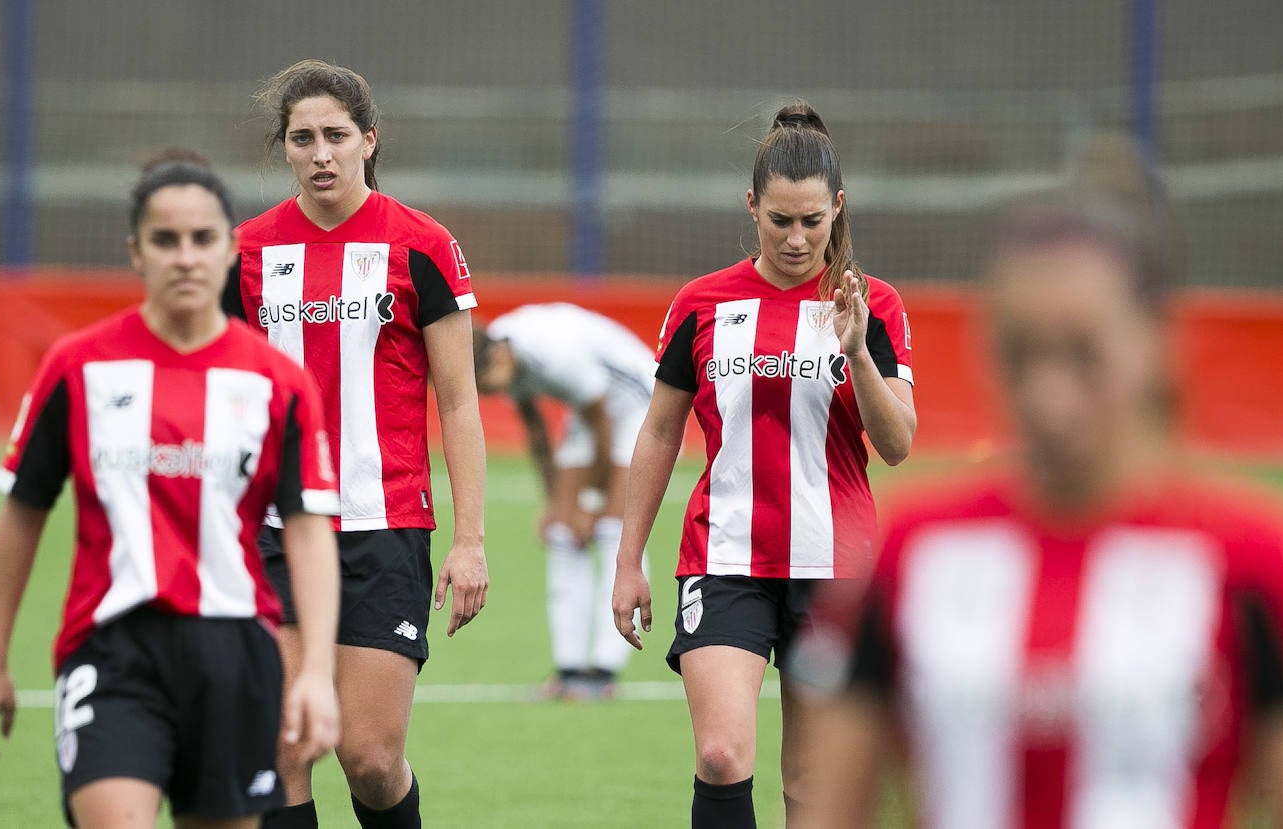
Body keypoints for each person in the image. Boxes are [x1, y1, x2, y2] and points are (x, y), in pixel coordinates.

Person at [795, 167, 1283, 827]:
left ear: (1157, 342)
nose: (1048, 394)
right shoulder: (912, 553)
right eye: (1021, 354)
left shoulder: (1252, 561)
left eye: (1084, 353)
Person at [0, 151, 343, 829]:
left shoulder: (278, 383)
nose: (186, 257)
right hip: (110, 649)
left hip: (235, 653)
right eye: (166, 240)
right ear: (136, 252)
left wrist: (314, 669)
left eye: (203, 239)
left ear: (231, 249)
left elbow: (309, 531)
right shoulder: (78, 366)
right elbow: (23, 512)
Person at [611, 102, 917, 828]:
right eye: (780, 220)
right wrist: (628, 560)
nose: (797, 237)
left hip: (836, 570)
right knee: (720, 754)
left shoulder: (872, 305)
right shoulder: (701, 303)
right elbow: (659, 432)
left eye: (813, 221)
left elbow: (898, 442)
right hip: (724, 558)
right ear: (752, 207)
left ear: (837, 208)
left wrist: (854, 352)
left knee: (813, 784)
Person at [223, 59, 489, 829]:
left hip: (385, 526)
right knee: (283, 743)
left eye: (336, 135)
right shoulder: (245, 254)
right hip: (275, 529)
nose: (320, 153)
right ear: (286, 149)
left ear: (369, 140)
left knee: (370, 758)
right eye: (302, 138)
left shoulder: (423, 246)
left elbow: (460, 402)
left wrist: (469, 542)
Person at [474, 303, 654, 700]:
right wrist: (555, 503)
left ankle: (604, 671)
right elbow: (538, 433)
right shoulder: (501, 351)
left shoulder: (554, 357)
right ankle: (569, 670)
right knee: (562, 532)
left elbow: (602, 422)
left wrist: (591, 501)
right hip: (590, 408)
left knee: (611, 527)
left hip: (635, 401)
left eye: (486, 383)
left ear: (501, 356)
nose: (487, 393)